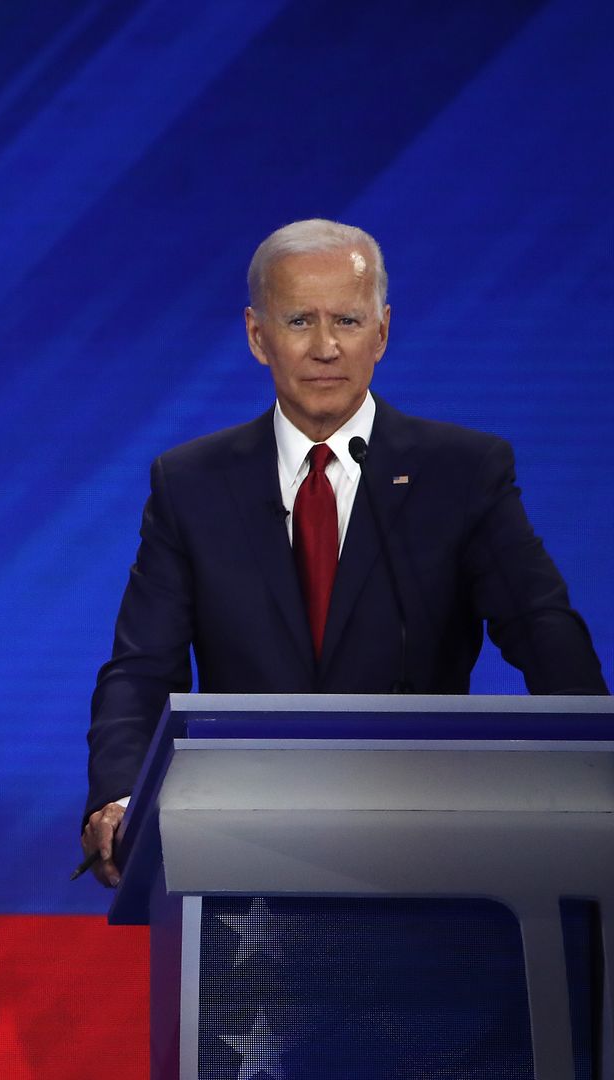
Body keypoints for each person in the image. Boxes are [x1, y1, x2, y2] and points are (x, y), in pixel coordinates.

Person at [82, 219, 604, 885]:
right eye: (299, 320)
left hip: (428, 850)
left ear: (382, 332)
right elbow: (141, 668)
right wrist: (120, 798)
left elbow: (541, 627)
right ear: (256, 336)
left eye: (348, 321)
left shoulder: (462, 473)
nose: (325, 347)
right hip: (245, 857)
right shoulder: (191, 484)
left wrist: (596, 773)